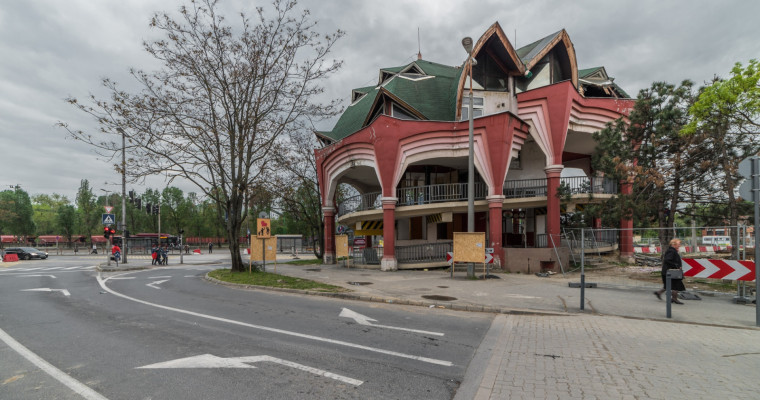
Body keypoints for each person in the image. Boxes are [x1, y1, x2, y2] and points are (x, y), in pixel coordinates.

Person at [654, 238, 685, 304]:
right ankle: (674, 298)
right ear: (674, 244)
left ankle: (659, 293)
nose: (679, 245)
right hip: (671, 271)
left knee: (670, 285)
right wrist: (676, 265)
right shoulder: (671, 251)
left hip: (670, 271)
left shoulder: (672, 250)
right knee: (676, 285)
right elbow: (667, 260)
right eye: (678, 244)